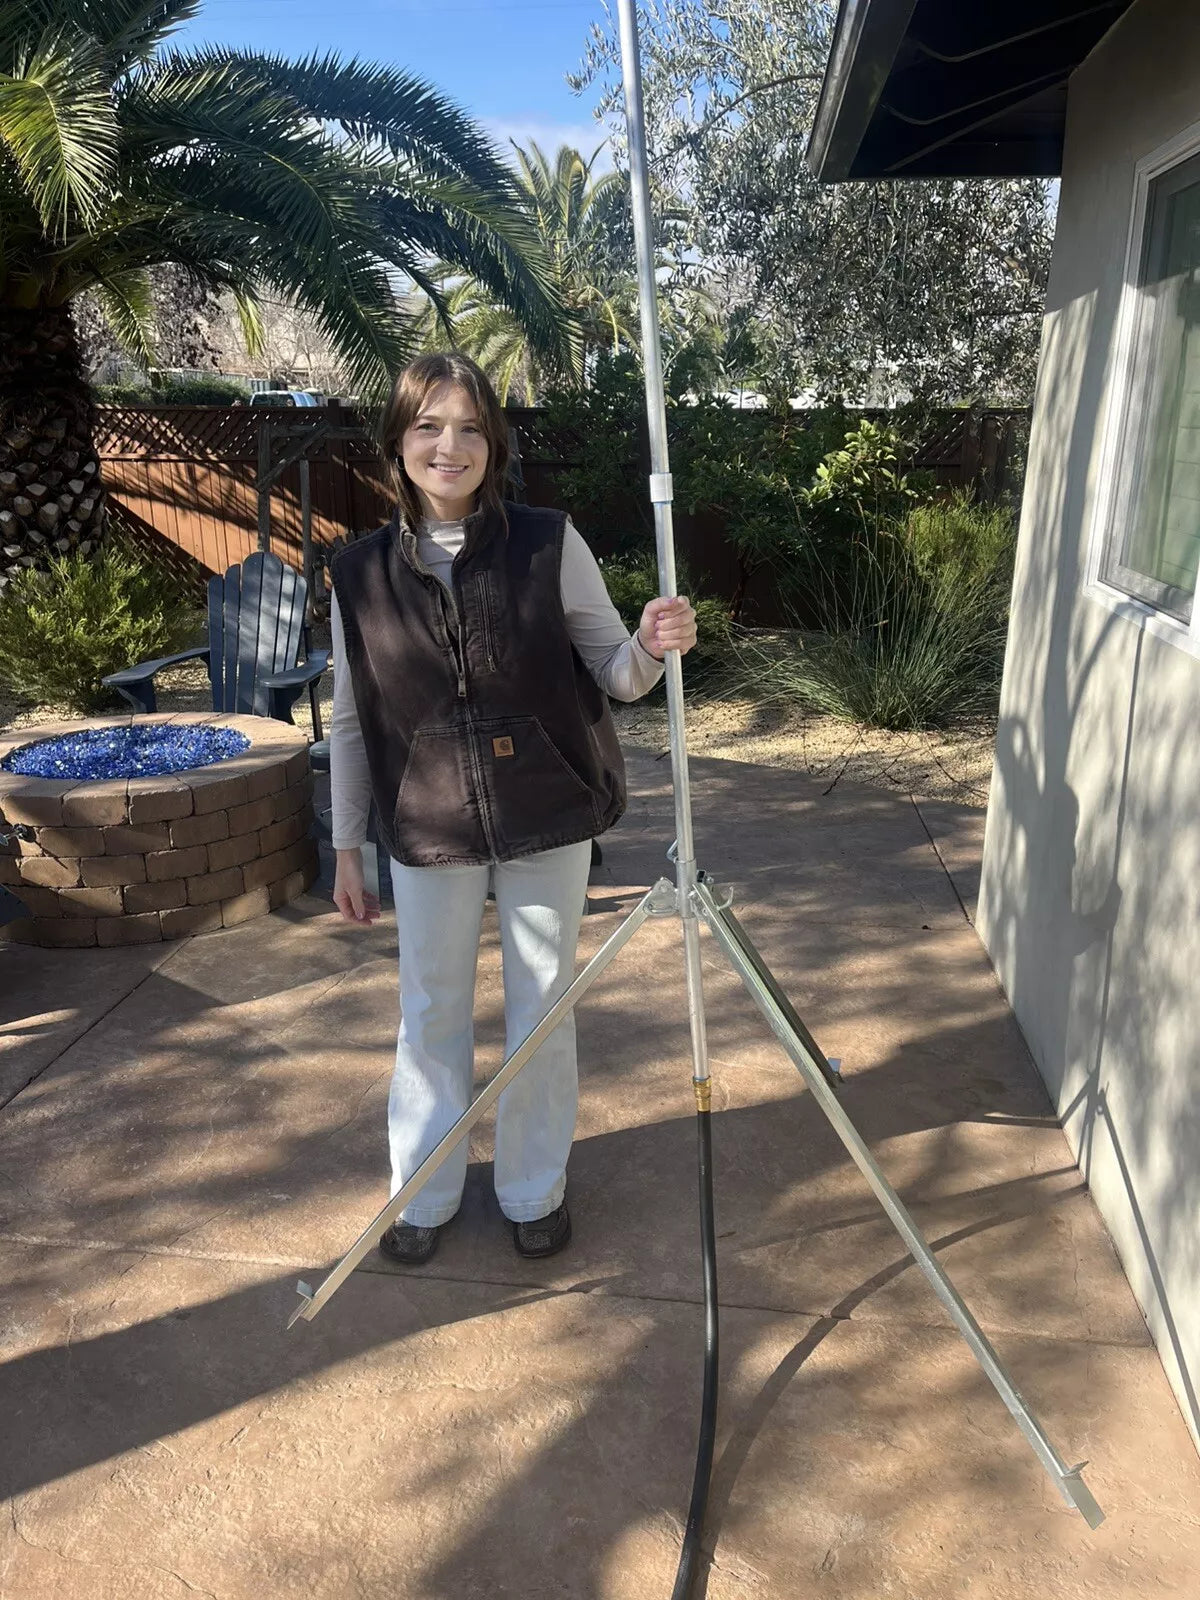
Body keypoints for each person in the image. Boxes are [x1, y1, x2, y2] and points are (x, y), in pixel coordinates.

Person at [329, 352, 697, 1266]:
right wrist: (346, 846)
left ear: (493, 444)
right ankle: (424, 1191)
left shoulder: (546, 541)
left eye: (468, 429)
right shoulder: (358, 573)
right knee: (430, 1012)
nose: (448, 447)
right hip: (426, 826)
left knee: (543, 1008)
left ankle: (534, 1188)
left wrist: (654, 645)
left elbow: (618, 674)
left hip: (544, 815)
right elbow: (349, 720)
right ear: (397, 444)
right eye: (428, 427)